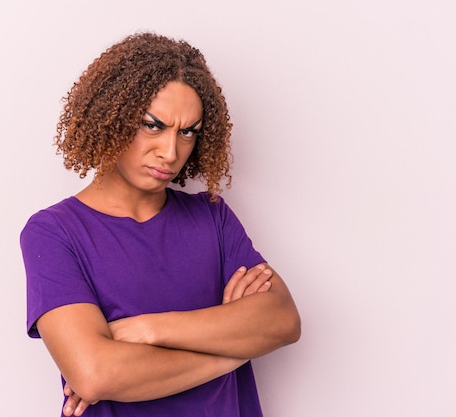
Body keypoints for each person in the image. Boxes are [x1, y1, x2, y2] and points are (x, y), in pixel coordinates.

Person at [20, 32, 301, 417]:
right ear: (111, 118)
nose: (171, 152)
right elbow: (94, 375)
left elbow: (282, 321)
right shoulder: (54, 232)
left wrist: (149, 330)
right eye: (153, 125)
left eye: (187, 132)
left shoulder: (212, 217)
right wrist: (232, 351)